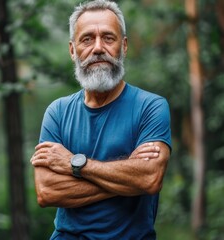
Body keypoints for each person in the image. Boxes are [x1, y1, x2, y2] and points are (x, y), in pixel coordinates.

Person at [30, 0, 172, 239]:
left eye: (108, 38)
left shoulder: (151, 106)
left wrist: (75, 164)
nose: (97, 48)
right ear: (73, 50)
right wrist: (127, 178)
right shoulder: (57, 112)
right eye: (87, 39)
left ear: (123, 46)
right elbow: (47, 192)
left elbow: (149, 178)